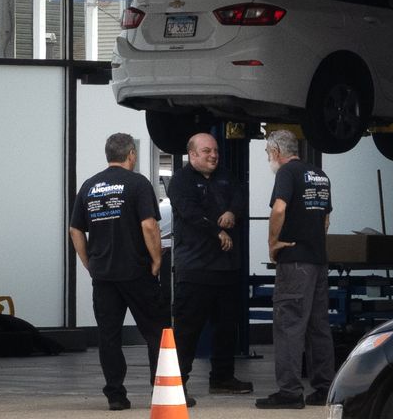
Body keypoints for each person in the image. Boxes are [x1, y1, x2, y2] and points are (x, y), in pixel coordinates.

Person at [70, 132, 167, 411]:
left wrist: (89, 262)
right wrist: (156, 260)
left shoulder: (89, 186)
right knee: (156, 332)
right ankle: (160, 392)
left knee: (108, 336)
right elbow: (149, 225)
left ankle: (116, 395)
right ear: (131, 155)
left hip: (103, 276)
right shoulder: (137, 183)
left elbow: (75, 229)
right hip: (136, 271)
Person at [168, 132, 255, 396]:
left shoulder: (226, 176)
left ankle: (222, 378)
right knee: (187, 331)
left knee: (227, 328)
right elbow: (191, 214)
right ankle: (177, 383)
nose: (213, 155)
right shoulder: (180, 182)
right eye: (206, 151)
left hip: (226, 269)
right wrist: (217, 231)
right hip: (195, 269)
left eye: (215, 151)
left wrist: (232, 212)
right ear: (192, 154)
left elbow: (240, 198)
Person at [256, 129, 333, 410]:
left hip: (295, 261)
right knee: (318, 326)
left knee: (289, 325)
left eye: (267, 153)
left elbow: (278, 210)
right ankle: (324, 388)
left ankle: (289, 391)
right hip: (318, 260)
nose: (268, 159)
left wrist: (273, 243)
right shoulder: (319, 175)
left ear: (277, 151)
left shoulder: (286, 174)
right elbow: (325, 218)